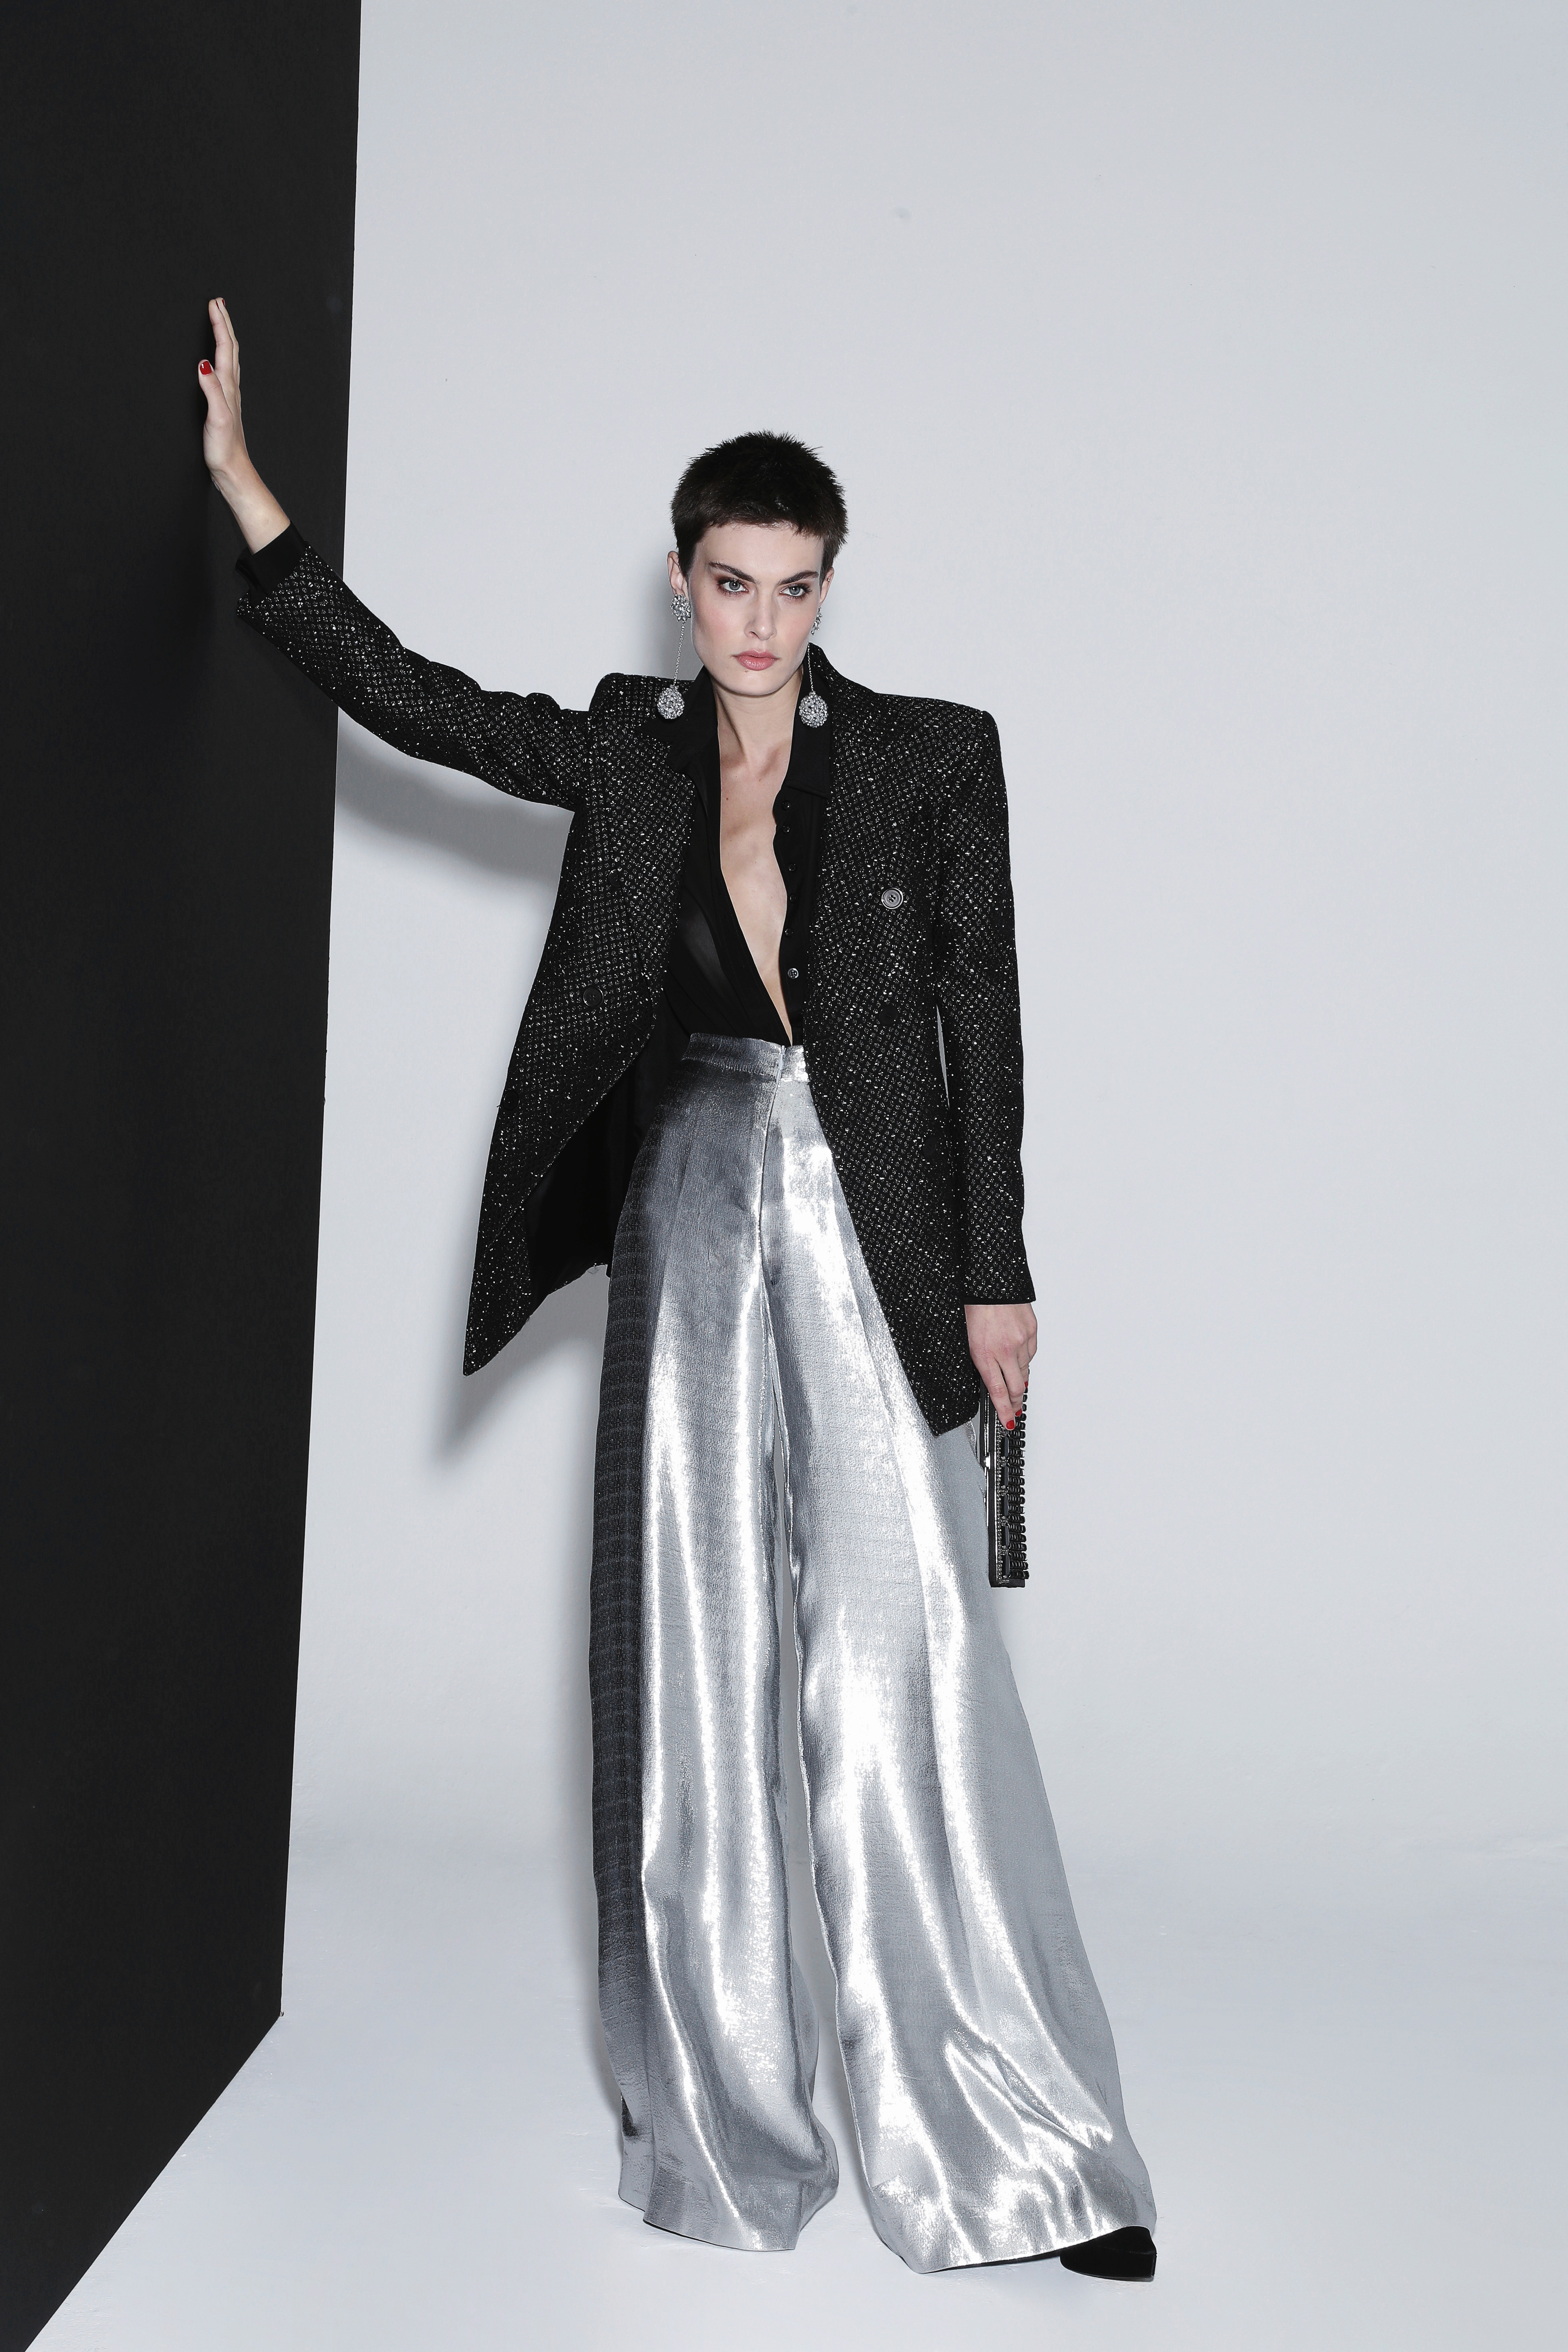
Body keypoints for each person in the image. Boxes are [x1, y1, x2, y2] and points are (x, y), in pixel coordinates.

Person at [197, 296, 1157, 2280]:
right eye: (732, 584)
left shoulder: (935, 757)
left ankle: (1018, 2155)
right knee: (690, 1661)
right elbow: (419, 701)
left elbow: (985, 1024)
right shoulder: (628, 753)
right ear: (681, 577)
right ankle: (723, 2140)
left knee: (906, 1668)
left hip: (881, 1221)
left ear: (828, 587)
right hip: (694, 1195)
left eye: (795, 588)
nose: (762, 623)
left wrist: (998, 1274)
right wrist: (247, 496)